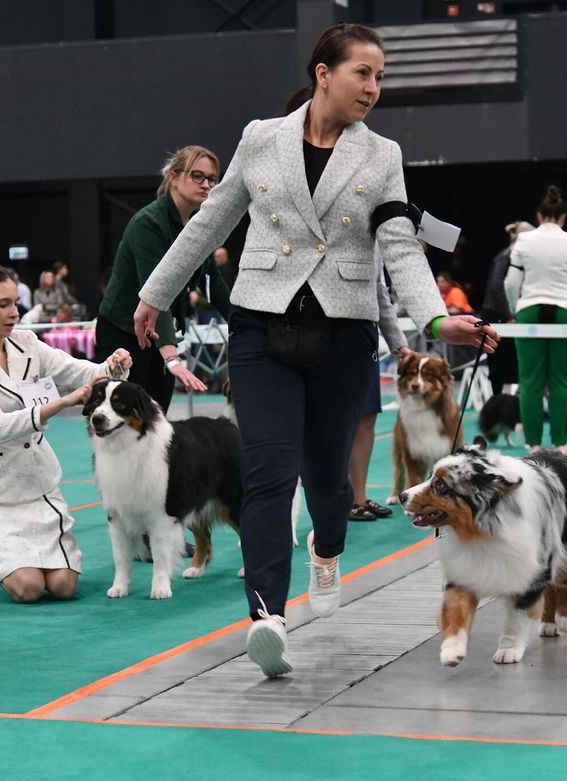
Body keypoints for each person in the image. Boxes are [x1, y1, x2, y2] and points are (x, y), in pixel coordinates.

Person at [132, 23, 498, 678]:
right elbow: (211, 220)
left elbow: (400, 246)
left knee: (328, 481)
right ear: (323, 72)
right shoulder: (259, 140)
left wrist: (438, 321)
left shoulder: (381, 154)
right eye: (364, 72)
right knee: (268, 470)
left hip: (343, 333)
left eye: (381, 76)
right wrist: (154, 294)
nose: (374, 87)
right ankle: (266, 615)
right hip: (260, 328)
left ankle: (326, 549)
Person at [0, 264, 131, 602]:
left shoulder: (27, 342)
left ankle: (5, 555)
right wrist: (60, 405)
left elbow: (77, 371)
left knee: (63, 587)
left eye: (16, 303)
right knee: (29, 590)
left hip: (38, 483)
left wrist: (112, 366)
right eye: (3, 305)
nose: (15, 313)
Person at [97, 145, 228, 412]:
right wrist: (172, 359)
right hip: (123, 333)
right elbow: (158, 293)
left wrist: (248, 324)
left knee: (156, 429)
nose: (206, 184)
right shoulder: (148, 223)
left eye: (212, 179)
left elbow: (215, 284)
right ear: (173, 177)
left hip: (160, 333)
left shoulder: (199, 225)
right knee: (122, 428)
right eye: (197, 176)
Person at [505, 185, 567, 457]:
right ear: (563, 217)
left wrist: (516, 308)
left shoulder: (523, 242)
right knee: (563, 380)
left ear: (539, 216)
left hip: (529, 309)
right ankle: (561, 442)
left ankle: (533, 444)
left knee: (530, 381)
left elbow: (511, 283)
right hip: (565, 310)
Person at [349, 252, 409, 522]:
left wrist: (398, 343)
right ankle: (338, 498)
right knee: (335, 423)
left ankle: (358, 498)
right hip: (326, 333)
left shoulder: (374, 241)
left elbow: (380, 291)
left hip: (365, 334)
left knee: (367, 417)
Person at [481, 221, 533, 395]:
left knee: (510, 362)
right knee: (498, 363)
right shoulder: (506, 256)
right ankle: (496, 404)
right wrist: (508, 315)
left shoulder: (514, 257)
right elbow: (497, 286)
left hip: (504, 314)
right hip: (497, 315)